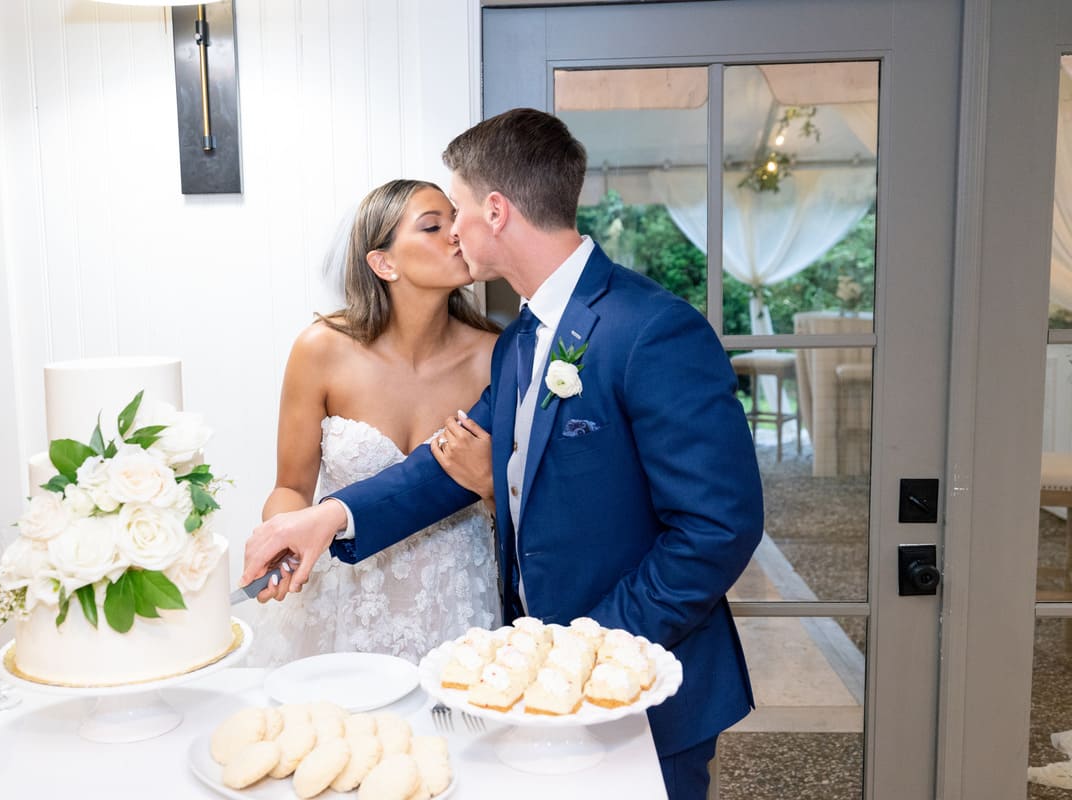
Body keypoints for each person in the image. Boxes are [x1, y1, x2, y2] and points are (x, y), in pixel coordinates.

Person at [242, 109, 764, 799]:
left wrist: (588, 648)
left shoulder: (652, 330)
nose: (453, 229)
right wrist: (329, 516)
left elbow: (717, 528)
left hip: (642, 687)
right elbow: (443, 467)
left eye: (455, 209)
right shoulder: (521, 340)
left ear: (495, 211)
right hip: (541, 694)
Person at [246, 178, 502, 668]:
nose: (456, 233)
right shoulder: (321, 350)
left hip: (456, 605)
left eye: (455, 219)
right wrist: (284, 536)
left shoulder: (494, 356)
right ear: (383, 263)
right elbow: (291, 487)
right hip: (344, 597)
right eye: (432, 225)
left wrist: (489, 486)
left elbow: (516, 497)